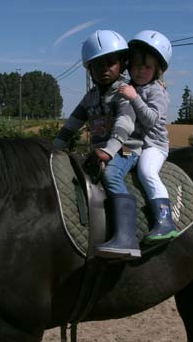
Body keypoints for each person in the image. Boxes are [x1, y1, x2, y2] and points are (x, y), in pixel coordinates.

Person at [53, 30, 143, 259]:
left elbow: (125, 123)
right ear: (89, 69)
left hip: (125, 149)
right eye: (97, 65)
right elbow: (72, 123)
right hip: (100, 151)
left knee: (112, 176)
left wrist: (109, 150)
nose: (104, 69)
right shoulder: (91, 96)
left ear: (122, 63)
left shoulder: (125, 92)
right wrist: (53, 147)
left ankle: (127, 237)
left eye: (111, 63)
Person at [118, 30, 178, 244]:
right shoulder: (132, 87)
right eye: (136, 65)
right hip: (136, 144)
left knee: (146, 171)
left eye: (147, 67)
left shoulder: (156, 91)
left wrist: (134, 98)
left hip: (154, 145)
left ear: (157, 70)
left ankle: (165, 221)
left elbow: (151, 120)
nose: (140, 71)